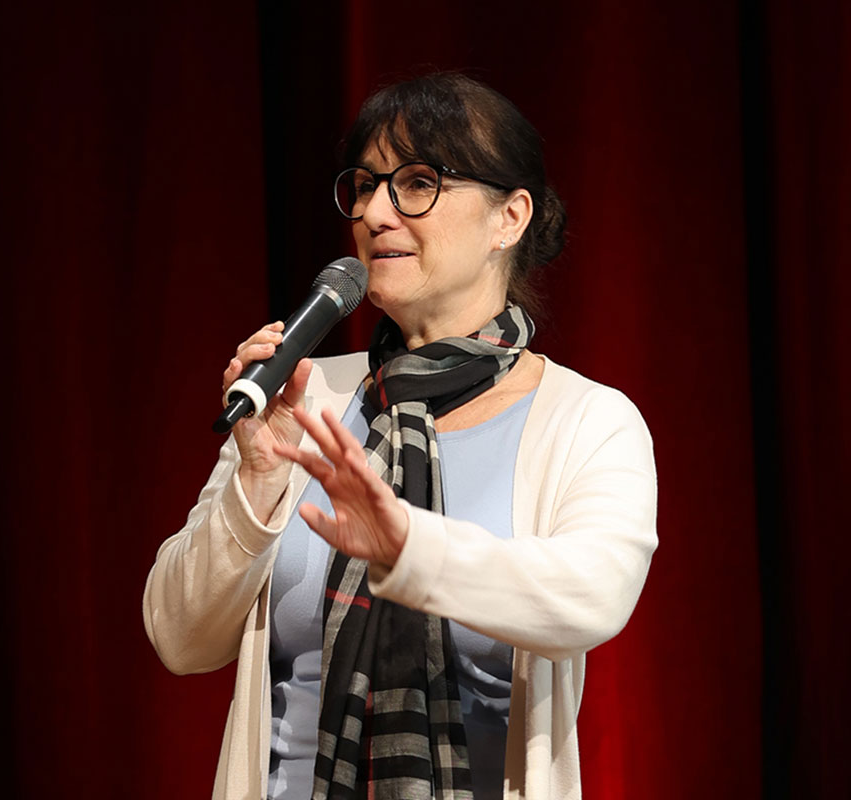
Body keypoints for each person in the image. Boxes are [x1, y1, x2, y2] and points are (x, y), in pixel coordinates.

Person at [143, 72, 657, 800]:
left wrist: (407, 548)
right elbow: (179, 635)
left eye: (418, 183)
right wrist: (257, 479)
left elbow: (590, 597)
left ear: (509, 217)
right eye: (363, 184)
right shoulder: (304, 395)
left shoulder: (586, 420)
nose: (374, 211)